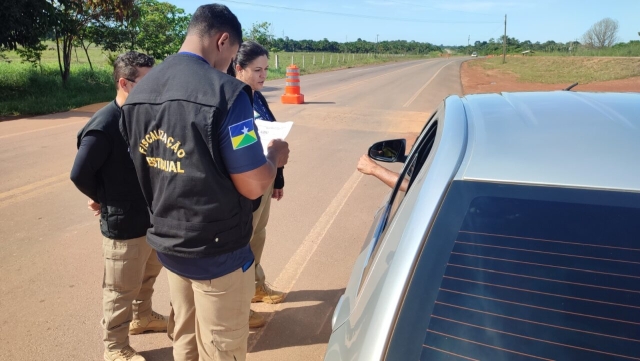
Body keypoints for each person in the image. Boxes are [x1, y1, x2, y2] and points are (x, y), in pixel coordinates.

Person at [119, 4, 289, 361]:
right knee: (222, 346)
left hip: (170, 243)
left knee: (186, 337)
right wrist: (274, 156)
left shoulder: (139, 91)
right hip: (218, 251)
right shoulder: (228, 94)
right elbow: (254, 184)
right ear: (223, 40)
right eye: (230, 57)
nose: (229, 66)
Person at [70, 51, 167, 361]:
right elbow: (80, 173)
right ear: (124, 83)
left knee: (148, 275)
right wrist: (102, 196)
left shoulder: (144, 116)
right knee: (120, 290)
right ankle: (115, 348)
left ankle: (144, 317)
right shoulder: (105, 125)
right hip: (124, 225)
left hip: (151, 218)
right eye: (148, 81)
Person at [231, 41, 286, 328]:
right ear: (238, 68)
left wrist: (277, 177)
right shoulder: (234, 100)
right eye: (257, 70)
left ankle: (255, 287)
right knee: (242, 243)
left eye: (266, 69)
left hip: (264, 177)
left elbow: (270, 133)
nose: (263, 75)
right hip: (246, 183)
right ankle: (239, 304)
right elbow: (240, 148)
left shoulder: (257, 96)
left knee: (257, 235)